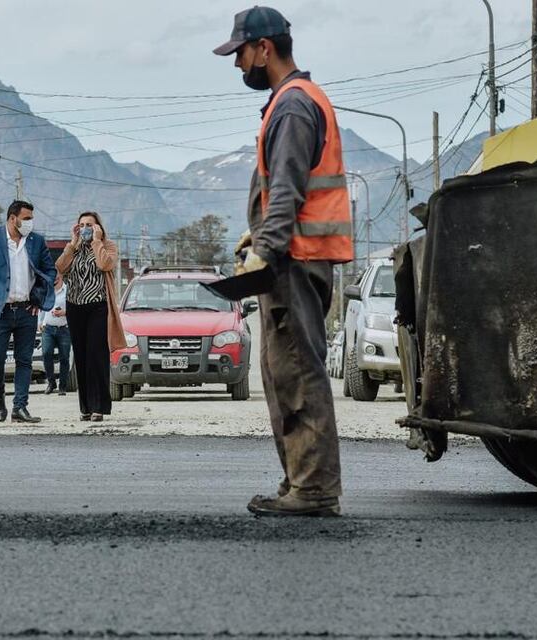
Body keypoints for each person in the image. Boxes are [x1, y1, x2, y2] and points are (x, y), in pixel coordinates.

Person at [214, 6, 352, 517]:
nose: (238, 64)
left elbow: (290, 189)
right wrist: (259, 232)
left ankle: (313, 489)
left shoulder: (292, 106)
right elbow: (288, 189)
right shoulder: (292, 101)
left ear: (264, 49)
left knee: (297, 371)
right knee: (281, 371)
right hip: (295, 256)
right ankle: (300, 480)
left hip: (294, 261)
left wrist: (263, 251)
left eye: (240, 54)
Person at [0, 200, 57, 423]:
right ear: (12, 218)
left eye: (31, 219)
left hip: (26, 311)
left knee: (24, 360)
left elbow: (50, 271)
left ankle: (20, 407)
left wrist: (38, 297)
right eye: (26, 218)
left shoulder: (36, 241)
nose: (30, 223)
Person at [55, 212, 126, 422]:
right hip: (75, 307)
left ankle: (99, 407)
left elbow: (105, 265)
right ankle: (85, 407)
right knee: (81, 357)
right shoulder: (74, 248)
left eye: (89, 225)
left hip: (98, 307)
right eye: (82, 225)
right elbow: (60, 267)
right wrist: (72, 243)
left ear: (98, 227)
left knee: (97, 356)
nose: (85, 228)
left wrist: (96, 241)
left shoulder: (108, 246)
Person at [39, 276, 70, 396]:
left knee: (64, 358)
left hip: (64, 329)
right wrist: (40, 322)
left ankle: (62, 386)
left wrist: (64, 312)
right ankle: (51, 382)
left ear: (61, 275)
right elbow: (42, 307)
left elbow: (73, 308)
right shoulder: (47, 290)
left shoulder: (68, 290)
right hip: (48, 328)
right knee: (46, 353)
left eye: (56, 274)